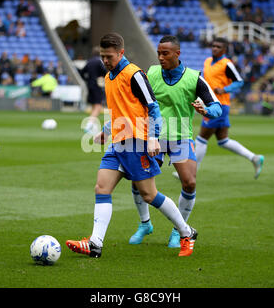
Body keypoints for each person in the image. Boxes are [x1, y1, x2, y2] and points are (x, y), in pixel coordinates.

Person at [66, 33, 198, 258]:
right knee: (102, 188)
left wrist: (154, 137)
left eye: (109, 56)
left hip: (138, 142)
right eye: (102, 56)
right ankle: (96, 243)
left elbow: (152, 107)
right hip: (118, 142)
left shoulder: (134, 74)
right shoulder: (109, 77)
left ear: (121, 53)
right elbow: (120, 110)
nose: (105, 61)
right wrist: (105, 131)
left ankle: (187, 232)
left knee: (149, 194)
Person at [126, 35, 222, 247]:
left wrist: (206, 110)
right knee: (138, 179)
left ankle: (179, 230)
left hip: (180, 137)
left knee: (189, 182)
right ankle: (144, 223)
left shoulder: (194, 78)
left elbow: (216, 106)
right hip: (154, 137)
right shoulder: (150, 74)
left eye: (165, 53)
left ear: (177, 54)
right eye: (159, 53)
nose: (160, 57)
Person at [191, 37, 264, 179]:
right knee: (223, 140)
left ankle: (191, 172)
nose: (214, 48)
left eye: (218, 47)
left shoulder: (227, 64)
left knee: (202, 138)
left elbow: (240, 82)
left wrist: (224, 89)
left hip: (220, 105)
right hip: (211, 103)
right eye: (213, 46)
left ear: (224, 50)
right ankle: (254, 158)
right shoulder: (207, 61)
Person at [80, 46, 107, 134]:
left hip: (89, 85)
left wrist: (87, 80)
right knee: (98, 105)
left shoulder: (89, 61)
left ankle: (92, 124)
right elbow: (105, 72)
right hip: (97, 85)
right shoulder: (99, 61)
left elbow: (82, 72)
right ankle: (89, 124)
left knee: (93, 105)